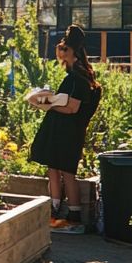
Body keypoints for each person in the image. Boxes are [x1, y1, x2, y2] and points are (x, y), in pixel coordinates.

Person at [28, 25, 102, 231]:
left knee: (67, 172)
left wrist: (47, 103)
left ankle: (74, 213)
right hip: (63, 130)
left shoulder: (78, 78)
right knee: (54, 167)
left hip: (68, 131)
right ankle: (55, 208)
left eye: (63, 49)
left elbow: (71, 108)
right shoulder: (76, 75)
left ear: (72, 52)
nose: (60, 53)